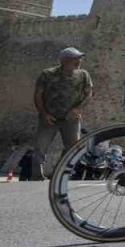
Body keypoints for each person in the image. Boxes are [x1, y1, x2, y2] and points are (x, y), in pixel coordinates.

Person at [31, 47, 93, 180]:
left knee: (72, 148)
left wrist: (78, 108)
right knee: (41, 147)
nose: (79, 61)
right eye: (75, 58)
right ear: (64, 60)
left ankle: (58, 174)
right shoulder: (47, 74)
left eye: (80, 58)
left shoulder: (83, 75)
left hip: (71, 119)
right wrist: (44, 114)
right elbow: (38, 95)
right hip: (50, 118)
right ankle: (36, 176)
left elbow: (89, 94)